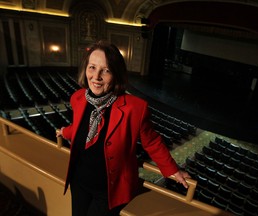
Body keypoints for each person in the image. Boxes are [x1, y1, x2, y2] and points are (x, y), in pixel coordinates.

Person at [56, 40, 190, 216]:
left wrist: (173, 170)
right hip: (79, 181)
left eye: (106, 70)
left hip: (109, 191)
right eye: (92, 67)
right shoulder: (78, 98)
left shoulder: (135, 108)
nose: (96, 77)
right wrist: (64, 132)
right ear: (85, 69)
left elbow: (152, 142)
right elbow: (81, 127)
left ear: (117, 74)